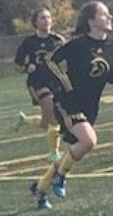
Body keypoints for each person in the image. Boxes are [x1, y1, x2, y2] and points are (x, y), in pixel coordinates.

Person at [30, 2, 113, 211]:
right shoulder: (79, 44)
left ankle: (40, 189)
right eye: (103, 14)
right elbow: (50, 61)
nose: (109, 16)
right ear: (91, 21)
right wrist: (63, 83)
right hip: (68, 102)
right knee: (89, 141)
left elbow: (110, 71)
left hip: (91, 106)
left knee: (74, 151)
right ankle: (60, 178)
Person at [13, 8, 65, 162]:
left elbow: (69, 59)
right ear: (35, 22)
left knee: (46, 122)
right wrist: (26, 67)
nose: (47, 20)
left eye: (48, 17)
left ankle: (25, 120)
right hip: (37, 83)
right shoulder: (29, 42)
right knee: (55, 119)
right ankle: (54, 153)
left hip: (55, 82)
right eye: (42, 17)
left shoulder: (58, 40)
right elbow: (18, 64)